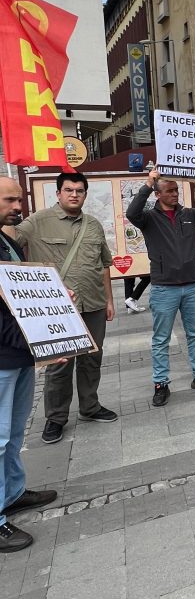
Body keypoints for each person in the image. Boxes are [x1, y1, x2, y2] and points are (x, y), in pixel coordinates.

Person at [15, 171, 117, 445]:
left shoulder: (93, 225)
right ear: (58, 193)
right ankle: (56, 418)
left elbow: (104, 265)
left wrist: (109, 301)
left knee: (92, 359)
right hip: (58, 309)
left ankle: (90, 407)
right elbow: (9, 241)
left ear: (85, 194)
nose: (74, 195)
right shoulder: (37, 222)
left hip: (93, 303)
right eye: (69, 190)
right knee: (60, 364)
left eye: (79, 191)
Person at [125, 168, 195, 406]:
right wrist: (148, 184)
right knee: (161, 339)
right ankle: (160, 383)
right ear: (158, 194)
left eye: (176, 190)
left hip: (191, 285)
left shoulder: (188, 214)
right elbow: (131, 213)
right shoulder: (148, 218)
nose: (174, 194)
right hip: (164, 288)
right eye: (169, 191)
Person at [0, 178, 57, 551]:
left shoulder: (6, 241)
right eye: (9, 199)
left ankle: (13, 492)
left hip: (18, 354)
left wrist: (54, 299)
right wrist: (39, 341)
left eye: (19, 199)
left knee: (14, 433)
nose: (18, 206)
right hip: (5, 355)